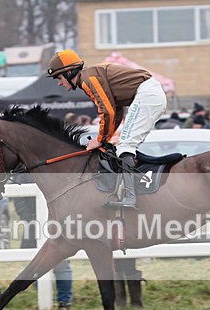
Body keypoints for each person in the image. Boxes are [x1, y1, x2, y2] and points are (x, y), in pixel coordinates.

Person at [47, 49, 166, 209]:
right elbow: (116, 111)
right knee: (124, 145)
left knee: (125, 146)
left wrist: (99, 140)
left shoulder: (88, 79)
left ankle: (130, 197)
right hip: (149, 93)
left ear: (69, 72)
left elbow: (107, 112)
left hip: (147, 95)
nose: (59, 83)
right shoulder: (89, 77)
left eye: (59, 78)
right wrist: (105, 139)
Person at [13, 188, 74, 309]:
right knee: (35, 266)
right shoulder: (22, 177)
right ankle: (48, 298)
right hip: (34, 227)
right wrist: (30, 219)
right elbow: (19, 200)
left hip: (57, 224)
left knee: (62, 265)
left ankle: (64, 302)